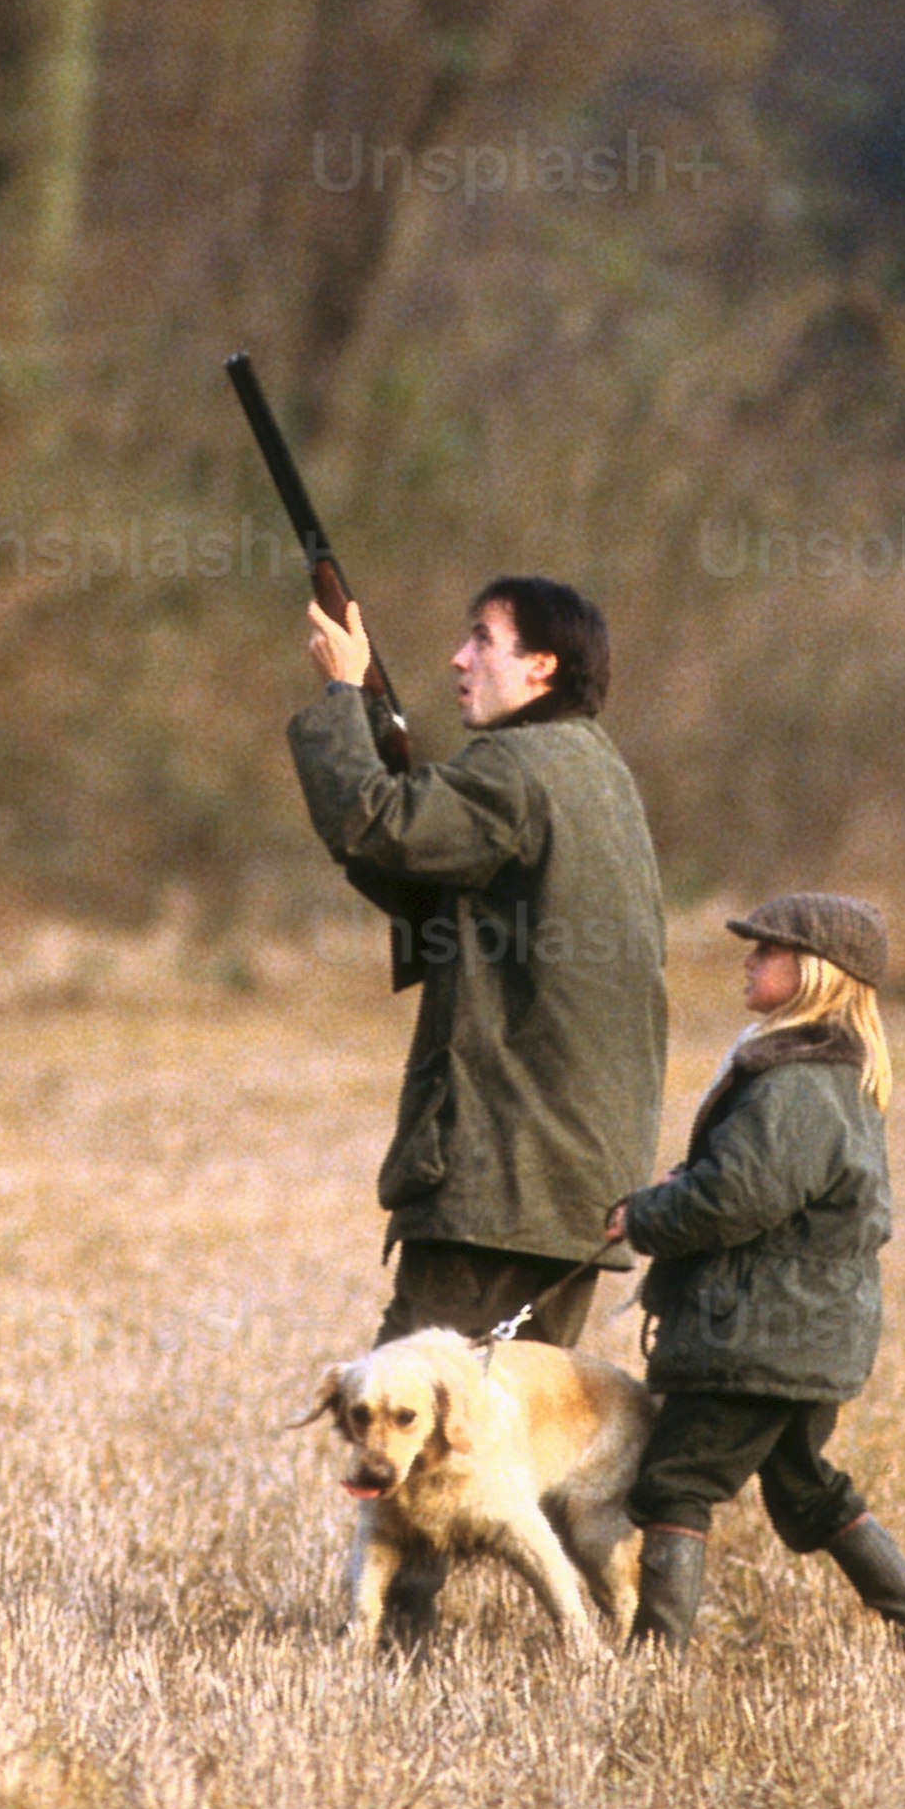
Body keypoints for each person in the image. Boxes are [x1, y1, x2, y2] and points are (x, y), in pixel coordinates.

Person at [290, 569, 668, 1649]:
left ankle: (395, 1637)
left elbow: (380, 828)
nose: (457, 659)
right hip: (569, 1174)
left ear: (540, 666)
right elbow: (426, 871)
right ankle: (646, 1622)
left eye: (481, 642)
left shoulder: (517, 766)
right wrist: (376, 724)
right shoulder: (590, 771)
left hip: (499, 1173)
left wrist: (341, 699)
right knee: (495, 1437)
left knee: (409, 1414)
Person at [606, 888, 905, 1655]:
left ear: (816, 973)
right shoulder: (830, 1077)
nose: (749, 961)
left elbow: (734, 1198)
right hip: (802, 1334)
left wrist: (645, 1214)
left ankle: (654, 1660)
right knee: (805, 1491)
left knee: (673, 1486)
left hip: (752, 1336)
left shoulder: (794, 1084)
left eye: (767, 950)